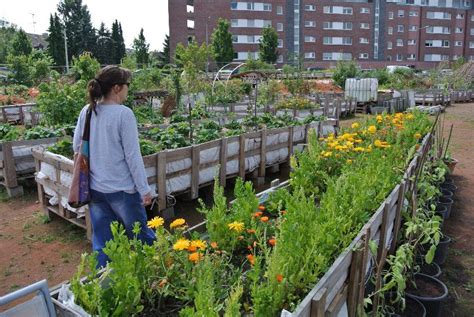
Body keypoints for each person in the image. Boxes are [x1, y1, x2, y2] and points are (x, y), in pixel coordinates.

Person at [73, 65, 155, 267]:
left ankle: (106, 284)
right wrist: (144, 190)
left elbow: (77, 146)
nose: (129, 89)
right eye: (127, 85)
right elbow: (133, 157)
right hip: (123, 191)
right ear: (117, 88)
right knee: (141, 238)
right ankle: (154, 279)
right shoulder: (123, 114)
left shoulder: (88, 110)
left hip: (96, 189)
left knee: (104, 244)